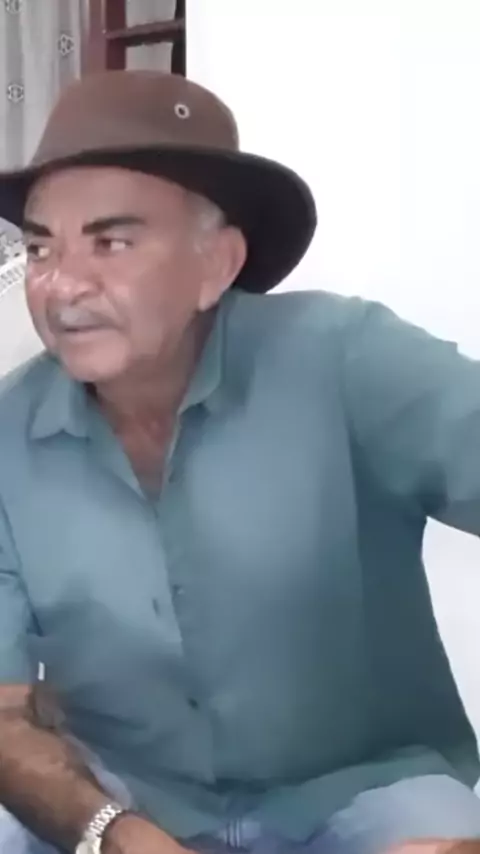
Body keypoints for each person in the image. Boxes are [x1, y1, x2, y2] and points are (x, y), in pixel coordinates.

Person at [0, 69, 479, 854]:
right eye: (42, 247)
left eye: (111, 242)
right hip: (121, 797)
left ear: (216, 265)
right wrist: (110, 833)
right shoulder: (5, 436)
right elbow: (3, 713)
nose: (62, 285)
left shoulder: (343, 359)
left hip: (361, 794)